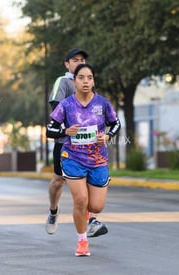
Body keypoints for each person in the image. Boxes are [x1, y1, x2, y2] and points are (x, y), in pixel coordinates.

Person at [46, 63, 121, 256]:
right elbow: (49, 130)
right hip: (73, 158)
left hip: (97, 159)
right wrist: (65, 131)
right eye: (81, 78)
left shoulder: (102, 104)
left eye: (89, 78)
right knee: (80, 200)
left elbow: (115, 123)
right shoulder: (66, 105)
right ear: (74, 81)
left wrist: (107, 136)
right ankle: (82, 242)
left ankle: (92, 207)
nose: (86, 82)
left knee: (96, 206)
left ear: (93, 81)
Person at [45, 48, 109, 238]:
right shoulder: (63, 82)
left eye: (82, 59)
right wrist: (71, 127)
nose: (79, 62)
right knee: (58, 181)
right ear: (67, 64)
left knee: (91, 181)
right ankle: (53, 211)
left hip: (89, 145)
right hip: (65, 142)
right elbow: (56, 106)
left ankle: (92, 220)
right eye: (75, 60)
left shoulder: (87, 82)